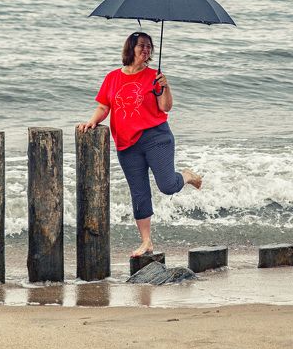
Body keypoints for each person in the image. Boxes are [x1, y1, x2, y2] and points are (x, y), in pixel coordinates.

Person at [78, 31, 202, 257]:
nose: (146, 49)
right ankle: (146, 242)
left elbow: (165, 107)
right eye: (141, 45)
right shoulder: (113, 77)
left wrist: (166, 86)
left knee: (167, 186)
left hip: (156, 138)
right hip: (126, 144)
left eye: (148, 46)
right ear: (131, 48)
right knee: (139, 192)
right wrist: (92, 121)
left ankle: (186, 176)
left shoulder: (155, 76)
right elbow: (104, 106)